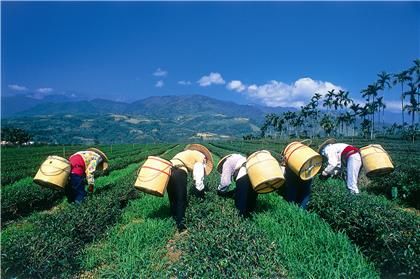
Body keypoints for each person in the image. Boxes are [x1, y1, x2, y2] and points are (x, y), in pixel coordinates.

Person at [169, 144, 213, 232]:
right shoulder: (200, 157)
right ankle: (181, 226)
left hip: (168, 170)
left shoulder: (184, 154)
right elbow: (198, 174)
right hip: (179, 172)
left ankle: (173, 218)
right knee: (181, 199)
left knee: (173, 196)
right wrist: (200, 190)